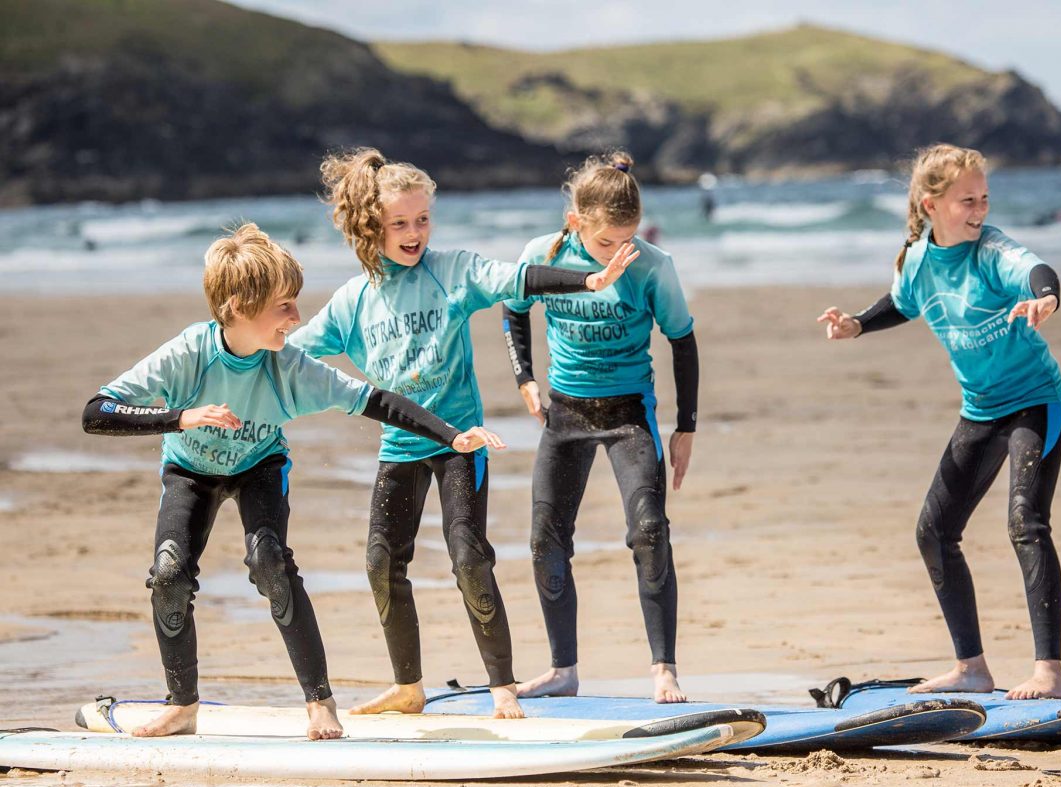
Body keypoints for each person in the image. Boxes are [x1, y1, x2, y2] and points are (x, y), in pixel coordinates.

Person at [81, 224, 503, 739]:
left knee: (270, 563)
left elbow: (379, 401)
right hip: (190, 471)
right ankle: (182, 705)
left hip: (261, 465)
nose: (297, 318)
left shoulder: (290, 367)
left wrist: (453, 436)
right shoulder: (189, 354)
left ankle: (320, 703)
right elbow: (96, 412)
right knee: (169, 574)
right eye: (283, 305)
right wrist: (180, 418)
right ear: (237, 305)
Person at [289, 148, 637, 719]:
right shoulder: (352, 303)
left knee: (468, 557)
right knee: (381, 562)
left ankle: (502, 687)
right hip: (400, 446)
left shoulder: (452, 272)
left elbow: (516, 278)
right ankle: (408, 687)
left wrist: (589, 279)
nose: (413, 232)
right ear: (372, 225)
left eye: (422, 219)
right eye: (399, 222)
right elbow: (288, 353)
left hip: (463, 443)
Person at [817, 143, 1061, 700]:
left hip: (1035, 401)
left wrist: (1045, 299)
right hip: (980, 410)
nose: (979, 210)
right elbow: (903, 301)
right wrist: (856, 325)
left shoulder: (992, 251)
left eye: (983, 198)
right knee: (934, 532)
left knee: (1026, 523)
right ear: (930, 205)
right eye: (966, 201)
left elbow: (1035, 271)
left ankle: (1049, 672)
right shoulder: (917, 261)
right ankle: (972, 667)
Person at [502, 151, 699, 703]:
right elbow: (514, 307)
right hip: (564, 415)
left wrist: (685, 427)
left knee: (649, 532)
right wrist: (525, 378)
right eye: (606, 243)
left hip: (628, 416)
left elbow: (682, 340)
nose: (620, 254)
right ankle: (563, 671)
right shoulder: (543, 255)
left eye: (628, 240)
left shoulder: (652, 266)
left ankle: (664, 668)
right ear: (575, 224)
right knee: (545, 540)